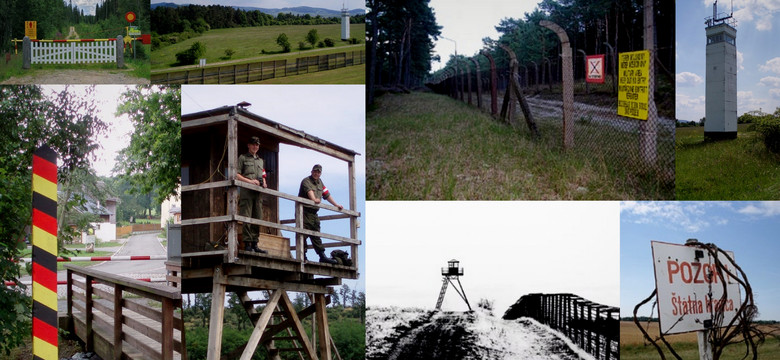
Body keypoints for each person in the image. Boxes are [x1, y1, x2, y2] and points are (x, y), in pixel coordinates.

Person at [298, 164, 342, 264]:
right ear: (311, 171)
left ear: (320, 173)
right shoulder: (306, 181)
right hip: (304, 212)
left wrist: (336, 205)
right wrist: (314, 199)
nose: (316, 173)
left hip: (314, 213)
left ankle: (322, 256)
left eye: (318, 172)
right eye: (315, 171)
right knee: (303, 234)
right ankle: (302, 256)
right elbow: (309, 192)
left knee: (316, 235)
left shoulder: (320, 183)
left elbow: (327, 195)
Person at [236, 136, 267, 253]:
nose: (255, 147)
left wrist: (264, 183)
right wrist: (250, 182)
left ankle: (255, 244)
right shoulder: (243, 158)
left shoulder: (260, 161)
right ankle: (247, 244)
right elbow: (236, 174)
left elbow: (263, 175)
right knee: (246, 217)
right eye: (253, 144)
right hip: (247, 192)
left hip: (258, 194)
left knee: (257, 218)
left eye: (257, 145)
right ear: (248, 145)